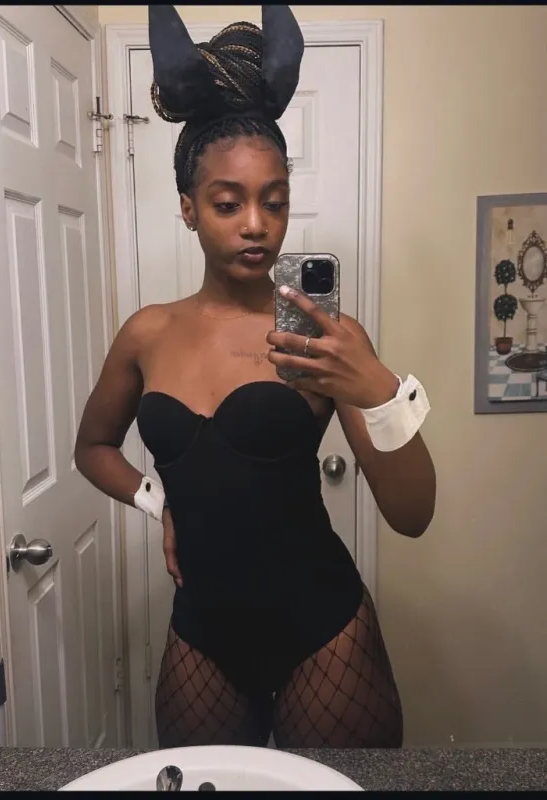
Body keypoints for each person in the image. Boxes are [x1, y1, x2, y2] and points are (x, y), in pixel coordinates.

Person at [74, 4, 436, 750]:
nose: (255, 224)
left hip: (323, 631)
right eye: (227, 203)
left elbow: (413, 513)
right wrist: (158, 500)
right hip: (202, 634)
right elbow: (93, 448)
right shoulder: (147, 333)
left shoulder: (325, 337)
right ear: (188, 209)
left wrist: (375, 385)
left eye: (274, 202)